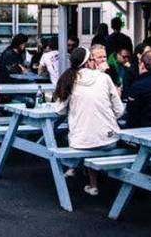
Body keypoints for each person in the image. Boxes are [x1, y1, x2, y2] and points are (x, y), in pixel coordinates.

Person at [53, 47, 124, 196]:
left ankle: (85, 178)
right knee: (94, 134)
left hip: (81, 142)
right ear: (87, 62)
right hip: (110, 139)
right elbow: (119, 110)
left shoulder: (69, 80)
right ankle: (92, 182)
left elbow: (59, 110)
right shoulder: (104, 78)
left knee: (83, 136)